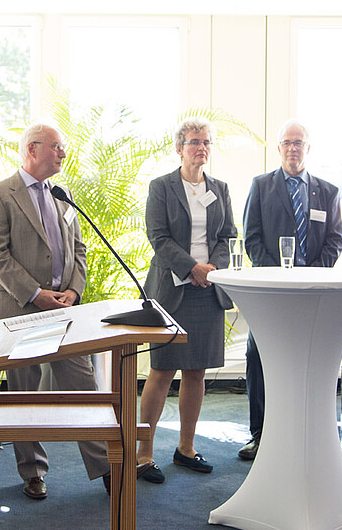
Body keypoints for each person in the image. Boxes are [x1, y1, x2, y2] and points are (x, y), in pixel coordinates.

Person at [0, 123, 111, 500]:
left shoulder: (62, 194)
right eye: (57, 147)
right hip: (20, 310)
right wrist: (36, 294)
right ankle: (33, 472)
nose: (63, 154)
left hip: (65, 310)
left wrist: (74, 289)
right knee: (23, 393)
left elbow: (79, 249)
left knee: (85, 386)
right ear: (33, 149)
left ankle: (104, 467)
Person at [136, 118, 237, 483]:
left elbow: (228, 235)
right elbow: (158, 237)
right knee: (162, 371)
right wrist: (191, 267)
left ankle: (186, 448)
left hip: (208, 291)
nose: (201, 148)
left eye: (206, 142)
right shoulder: (162, 187)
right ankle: (143, 454)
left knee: (197, 371)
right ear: (180, 148)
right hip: (172, 289)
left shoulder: (220, 188)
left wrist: (211, 269)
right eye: (194, 142)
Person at [239, 119, 342, 460]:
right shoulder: (261, 185)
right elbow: (251, 236)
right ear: (279, 148)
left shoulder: (327, 191)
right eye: (287, 142)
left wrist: (310, 275)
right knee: (258, 356)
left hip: (313, 291)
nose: (293, 148)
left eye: (299, 142)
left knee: (309, 358)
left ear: (308, 148)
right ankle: (260, 435)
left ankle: (307, 436)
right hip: (270, 293)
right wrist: (275, 274)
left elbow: (335, 240)